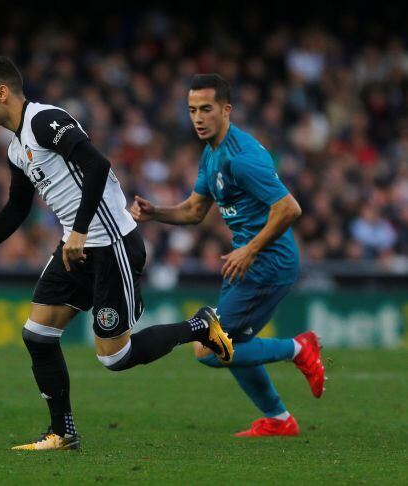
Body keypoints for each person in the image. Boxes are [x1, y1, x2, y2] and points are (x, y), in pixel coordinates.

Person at [0, 56, 233, 450]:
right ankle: (62, 432)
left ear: (1, 92)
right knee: (37, 335)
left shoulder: (44, 120)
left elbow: (96, 165)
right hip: (76, 249)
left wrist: (77, 230)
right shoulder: (16, 148)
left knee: (115, 358)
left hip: (110, 244)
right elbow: (17, 209)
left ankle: (199, 326)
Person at [131, 73, 326, 437]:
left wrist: (250, 250)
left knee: (209, 347)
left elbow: (289, 208)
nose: (198, 118)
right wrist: (155, 212)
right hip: (249, 263)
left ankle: (298, 348)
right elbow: (193, 211)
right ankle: (279, 420)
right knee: (231, 343)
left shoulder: (241, 158)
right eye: (192, 110)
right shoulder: (212, 153)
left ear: (226, 110)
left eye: (206, 109)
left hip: (266, 263)